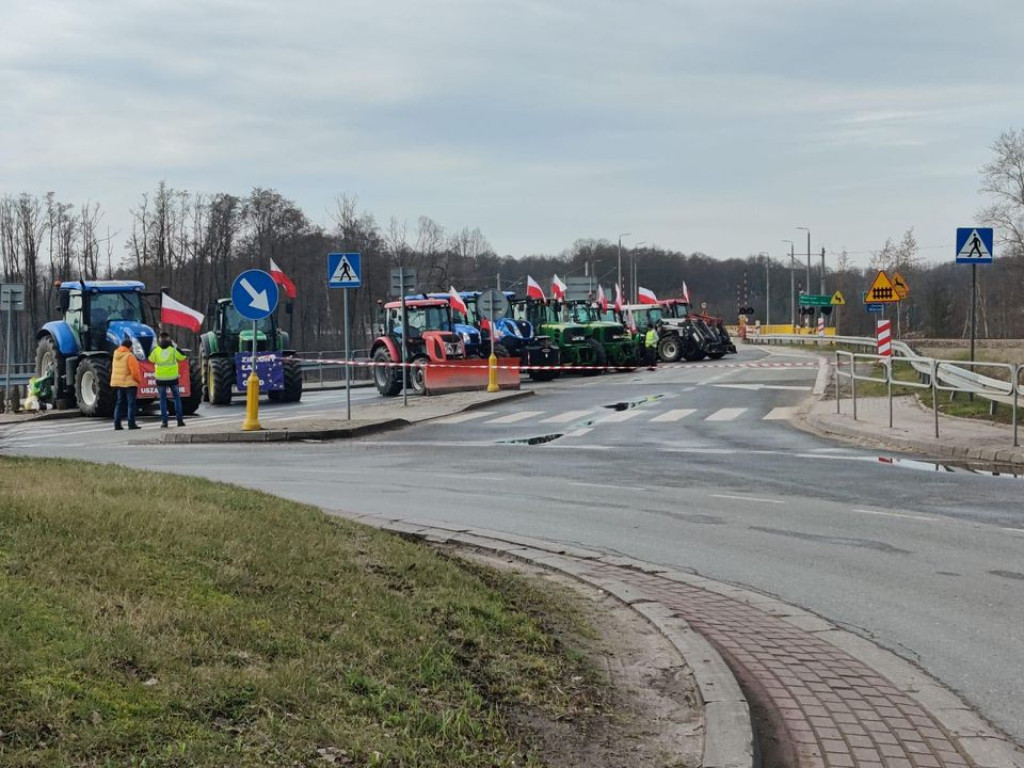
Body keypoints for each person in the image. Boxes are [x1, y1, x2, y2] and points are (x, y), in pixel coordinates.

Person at [149, 331, 187, 428]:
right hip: (172, 378)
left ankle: (164, 422)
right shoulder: (173, 350)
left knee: (162, 400)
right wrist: (175, 346)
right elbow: (183, 357)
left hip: (160, 379)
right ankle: (179, 420)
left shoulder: (156, 350)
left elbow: (150, 359)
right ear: (169, 339)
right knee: (176, 398)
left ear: (160, 339)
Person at [110, 336, 142, 430]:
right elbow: (134, 371)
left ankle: (117, 423)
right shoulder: (129, 356)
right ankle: (131, 423)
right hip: (129, 383)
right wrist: (138, 380)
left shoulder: (116, 354)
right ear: (129, 347)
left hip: (119, 383)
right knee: (131, 404)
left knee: (119, 403)